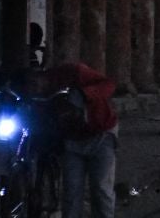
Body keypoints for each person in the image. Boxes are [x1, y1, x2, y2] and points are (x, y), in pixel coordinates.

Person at [40, 61, 119, 218]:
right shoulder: (43, 94)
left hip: (100, 134)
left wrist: (85, 94)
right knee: (71, 191)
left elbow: (109, 85)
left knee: (101, 188)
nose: (37, 88)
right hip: (72, 142)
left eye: (37, 83)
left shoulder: (74, 71)